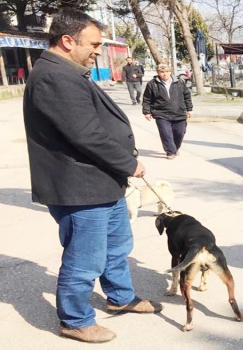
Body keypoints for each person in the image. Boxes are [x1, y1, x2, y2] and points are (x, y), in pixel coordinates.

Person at [23, 9, 161, 344]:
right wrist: (129, 164)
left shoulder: (69, 71)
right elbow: (85, 134)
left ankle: (120, 297)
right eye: (94, 43)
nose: (98, 49)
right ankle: (75, 319)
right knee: (85, 258)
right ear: (68, 41)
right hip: (80, 186)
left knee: (116, 247)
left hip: (100, 181)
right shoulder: (54, 76)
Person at [142, 63, 193, 159]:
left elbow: (187, 96)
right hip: (161, 113)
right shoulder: (152, 84)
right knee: (166, 133)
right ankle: (170, 151)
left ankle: (175, 147)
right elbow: (147, 99)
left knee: (180, 132)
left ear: (170, 72)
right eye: (162, 72)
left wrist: (189, 109)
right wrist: (147, 112)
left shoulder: (179, 82)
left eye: (167, 72)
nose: (164, 74)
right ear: (158, 73)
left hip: (179, 112)